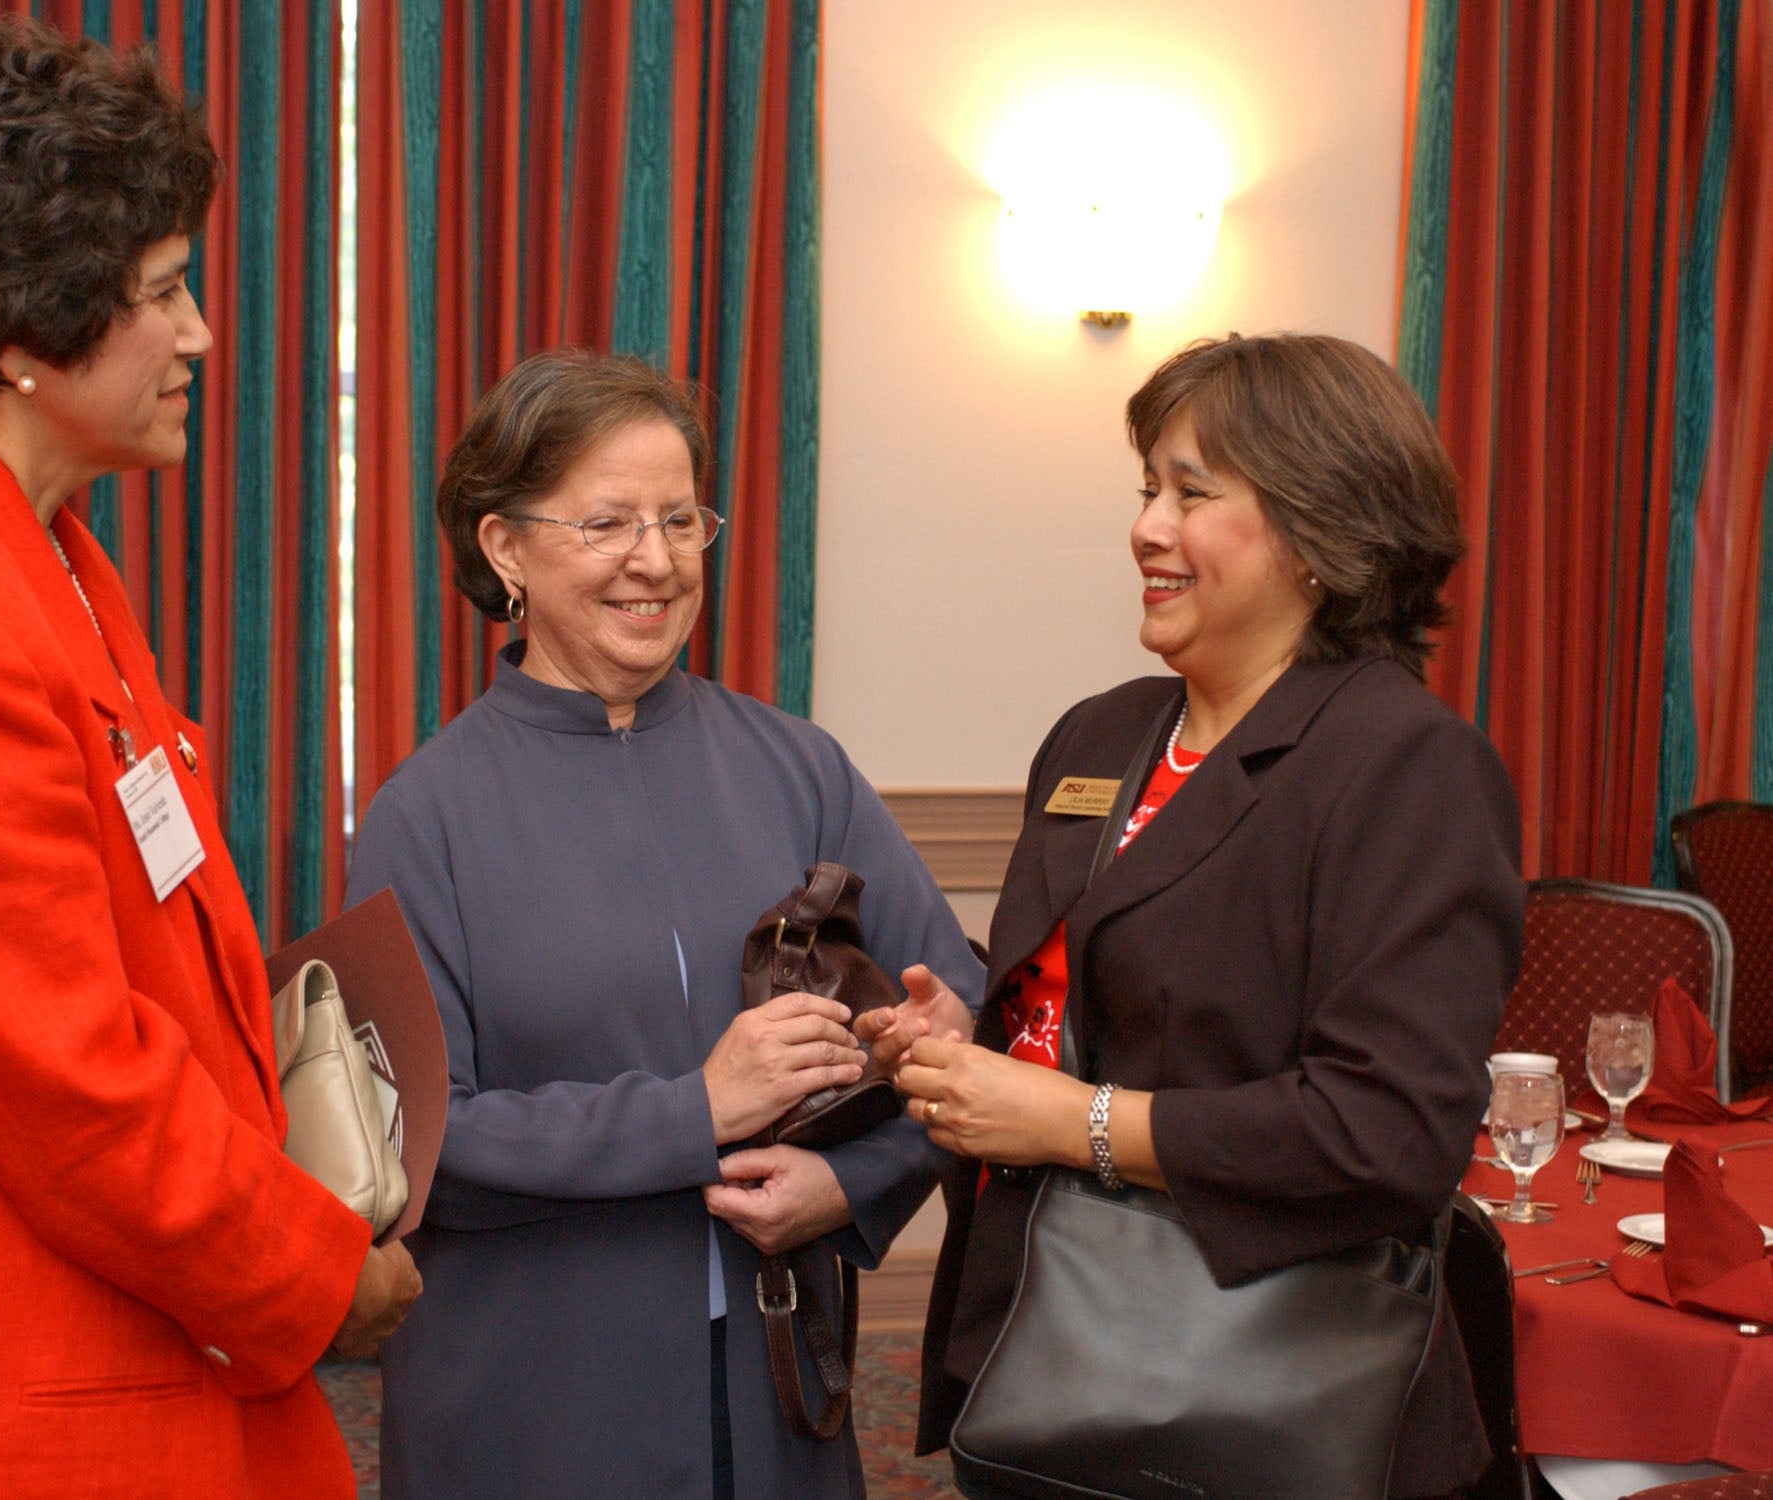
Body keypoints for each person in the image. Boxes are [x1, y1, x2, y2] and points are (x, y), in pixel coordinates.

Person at [0, 21, 415, 1497]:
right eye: (163, 293)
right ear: (16, 326)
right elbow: (68, 1087)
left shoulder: (34, 550)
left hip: (131, 1344)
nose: (198, 335)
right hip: (19, 1403)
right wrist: (314, 1273)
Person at [860, 333, 1525, 1499]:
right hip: (1040, 1354)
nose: (1147, 529)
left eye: (1192, 493)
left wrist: (1074, 1123)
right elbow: (1103, 1010)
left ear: (1320, 531)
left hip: (1264, 1402)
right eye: (1146, 489)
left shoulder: (1403, 766)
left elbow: (1386, 1135)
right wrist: (968, 1046)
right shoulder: (1099, 735)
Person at [344, 349, 984, 1500]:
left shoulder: (799, 769)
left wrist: (859, 1182)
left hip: (777, 1386)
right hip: (533, 1405)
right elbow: (412, 1146)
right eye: (606, 524)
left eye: (680, 520)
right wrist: (693, 1112)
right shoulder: (423, 816)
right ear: (504, 550)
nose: (655, 560)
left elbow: (960, 1012)